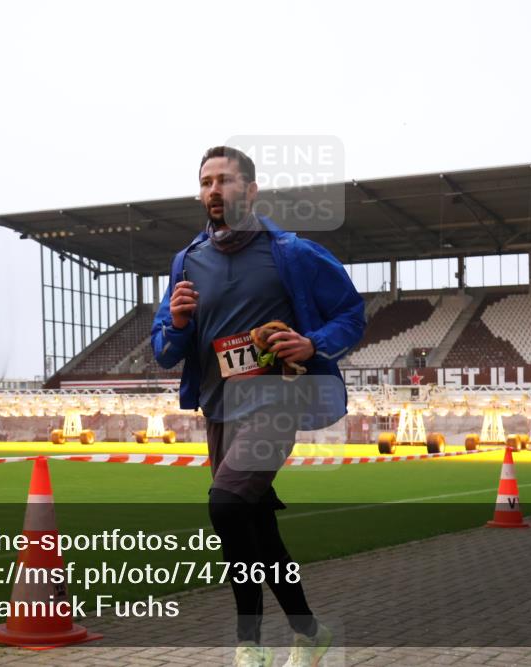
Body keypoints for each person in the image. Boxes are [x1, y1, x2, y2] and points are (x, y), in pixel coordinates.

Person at [151, 146, 365, 667]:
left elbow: (351, 315)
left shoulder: (293, 253)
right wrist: (176, 324)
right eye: (206, 182)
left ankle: (249, 644)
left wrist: (312, 344)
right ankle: (310, 633)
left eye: (224, 180)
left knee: (225, 506)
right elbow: (164, 351)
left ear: (250, 190)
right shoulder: (186, 262)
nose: (213, 190)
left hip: (277, 401)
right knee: (255, 526)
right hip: (218, 409)